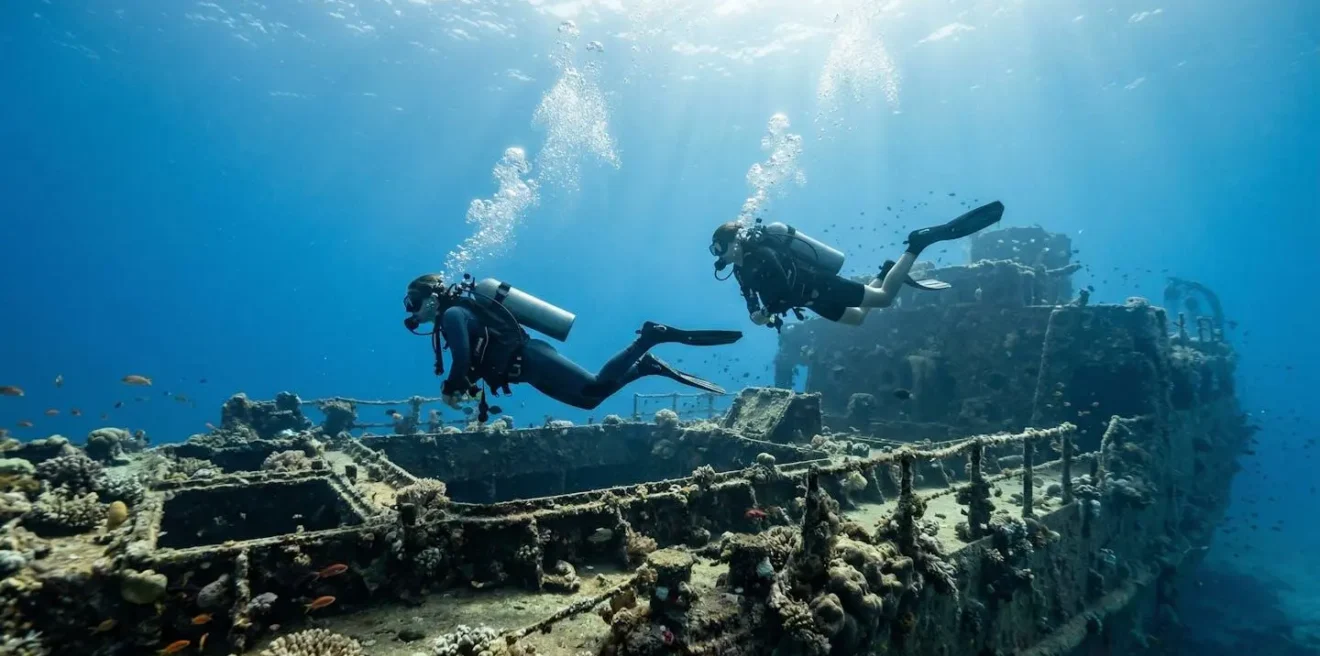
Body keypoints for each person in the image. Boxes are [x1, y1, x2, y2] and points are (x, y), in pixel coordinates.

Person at [403, 274, 742, 413]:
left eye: (412, 302)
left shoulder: (452, 315)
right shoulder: (457, 314)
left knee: (594, 387)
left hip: (532, 358)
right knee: (589, 403)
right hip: (528, 370)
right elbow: (474, 360)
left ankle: (649, 339)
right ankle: (646, 367)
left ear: (431, 298)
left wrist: (450, 387)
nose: (412, 311)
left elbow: (462, 359)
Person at [709, 201, 1005, 328]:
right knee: (858, 319)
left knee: (884, 299)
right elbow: (751, 298)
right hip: (811, 300)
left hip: (819, 285)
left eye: (718, 248)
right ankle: (886, 271)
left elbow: (783, 289)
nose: (718, 255)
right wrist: (755, 315)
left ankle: (917, 243)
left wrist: (768, 311)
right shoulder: (740, 269)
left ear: (732, 241)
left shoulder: (761, 253)